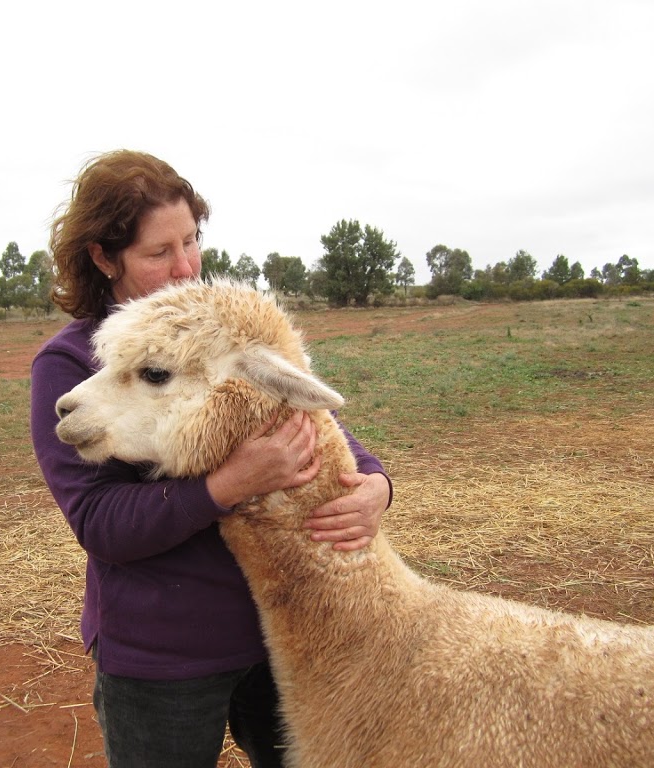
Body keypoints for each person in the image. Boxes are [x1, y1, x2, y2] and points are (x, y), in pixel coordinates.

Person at [29, 150, 392, 768]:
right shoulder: (68, 365)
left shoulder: (216, 330)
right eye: (157, 253)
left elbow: (308, 416)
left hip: (275, 633)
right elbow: (99, 521)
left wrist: (375, 485)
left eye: (191, 242)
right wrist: (225, 485)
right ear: (103, 256)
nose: (184, 268)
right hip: (160, 654)